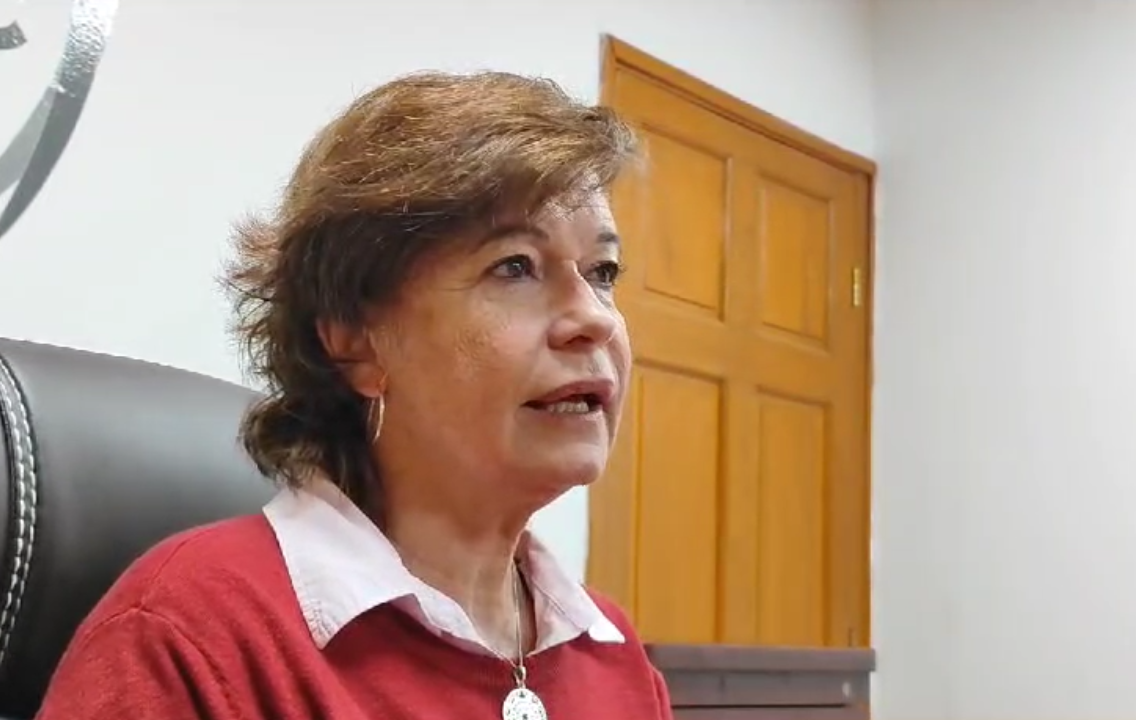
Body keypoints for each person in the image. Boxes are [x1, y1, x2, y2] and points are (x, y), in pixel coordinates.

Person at [35, 70, 673, 720]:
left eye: (602, 272)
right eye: (514, 267)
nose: (593, 319)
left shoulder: (613, 655)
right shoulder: (187, 635)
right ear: (354, 341)